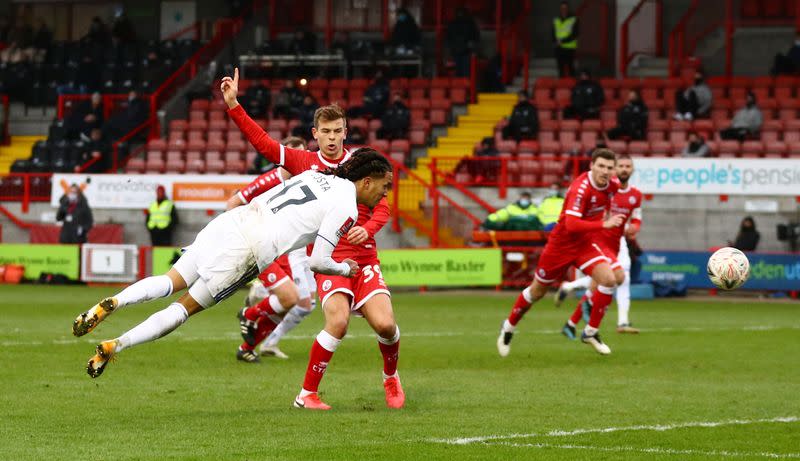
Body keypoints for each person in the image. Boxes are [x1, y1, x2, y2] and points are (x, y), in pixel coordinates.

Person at [73, 150, 393, 381]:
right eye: (383, 186)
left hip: (234, 220)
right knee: (183, 308)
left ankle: (116, 301)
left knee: (170, 279)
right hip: (251, 250)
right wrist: (346, 269)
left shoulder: (314, 176)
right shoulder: (347, 206)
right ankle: (116, 344)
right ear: (366, 181)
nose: (384, 194)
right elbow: (318, 260)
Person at [223, 68, 402, 409]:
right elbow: (262, 142)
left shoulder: (362, 161)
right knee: (338, 321)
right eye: (326, 132)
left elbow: (383, 206)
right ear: (315, 134)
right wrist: (234, 106)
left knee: (386, 325)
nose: (333, 138)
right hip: (327, 258)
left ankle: (390, 377)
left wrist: (370, 228)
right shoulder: (303, 162)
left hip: (364, 257)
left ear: (345, 132)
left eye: (338, 131)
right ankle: (307, 394)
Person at [496, 148, 625, 357]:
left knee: (609, 280)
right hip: (560, 245)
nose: (605, 171)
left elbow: (611, 196)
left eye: (609, 168)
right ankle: (508, 327)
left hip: (583, 245)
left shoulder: (613, 185)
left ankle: (591, 332)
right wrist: (604, 224)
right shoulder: (580, 189)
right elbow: (572, 225)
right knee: (537, 292)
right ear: (591, 166)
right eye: (600, 166)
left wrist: (606, 217)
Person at [228, 136, 313, 362]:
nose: (297, 161)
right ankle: (251, 312)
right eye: (292, 156)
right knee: (295, 300)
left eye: (301, 156)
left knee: (294, 304)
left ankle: (247, 346)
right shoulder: (269, 180)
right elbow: (233, 204)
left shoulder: (310, 180)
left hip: (294, 249)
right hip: (266, 250)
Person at [555, 154, 643, 334]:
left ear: (632, 170)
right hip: (599, 238)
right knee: (616, 277)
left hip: (619, 241)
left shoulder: (636, 195)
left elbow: (637, 219)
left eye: (628, 166)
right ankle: (612, 321)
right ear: (614, 169)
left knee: (612, 280)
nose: (624, 169)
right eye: (621, 166)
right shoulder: (608, 189)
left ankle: (572, 322)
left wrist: (633, 228)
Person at [447, 7, 480, 78]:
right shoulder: (470, 23)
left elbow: (475, 38)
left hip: (461, 52)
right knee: (463, 73)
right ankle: (463, 88)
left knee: (459, 73)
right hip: (461, 52)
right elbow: (476, 37)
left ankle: (459, 88)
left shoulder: (453, 23)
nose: (460, 15)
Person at [553, 1, 578, 78]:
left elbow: (575, 34)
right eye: (562, 8)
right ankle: (561, 86)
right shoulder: (556, 19)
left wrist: (562, 41)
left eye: (565, 8)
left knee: (570, 67)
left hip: (569, 47)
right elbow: (553, 32)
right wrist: (555, 41)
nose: (564, 10)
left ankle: (572, 85)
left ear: (568, 9)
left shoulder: (573, 19)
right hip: (559, 47)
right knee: (560, 68)